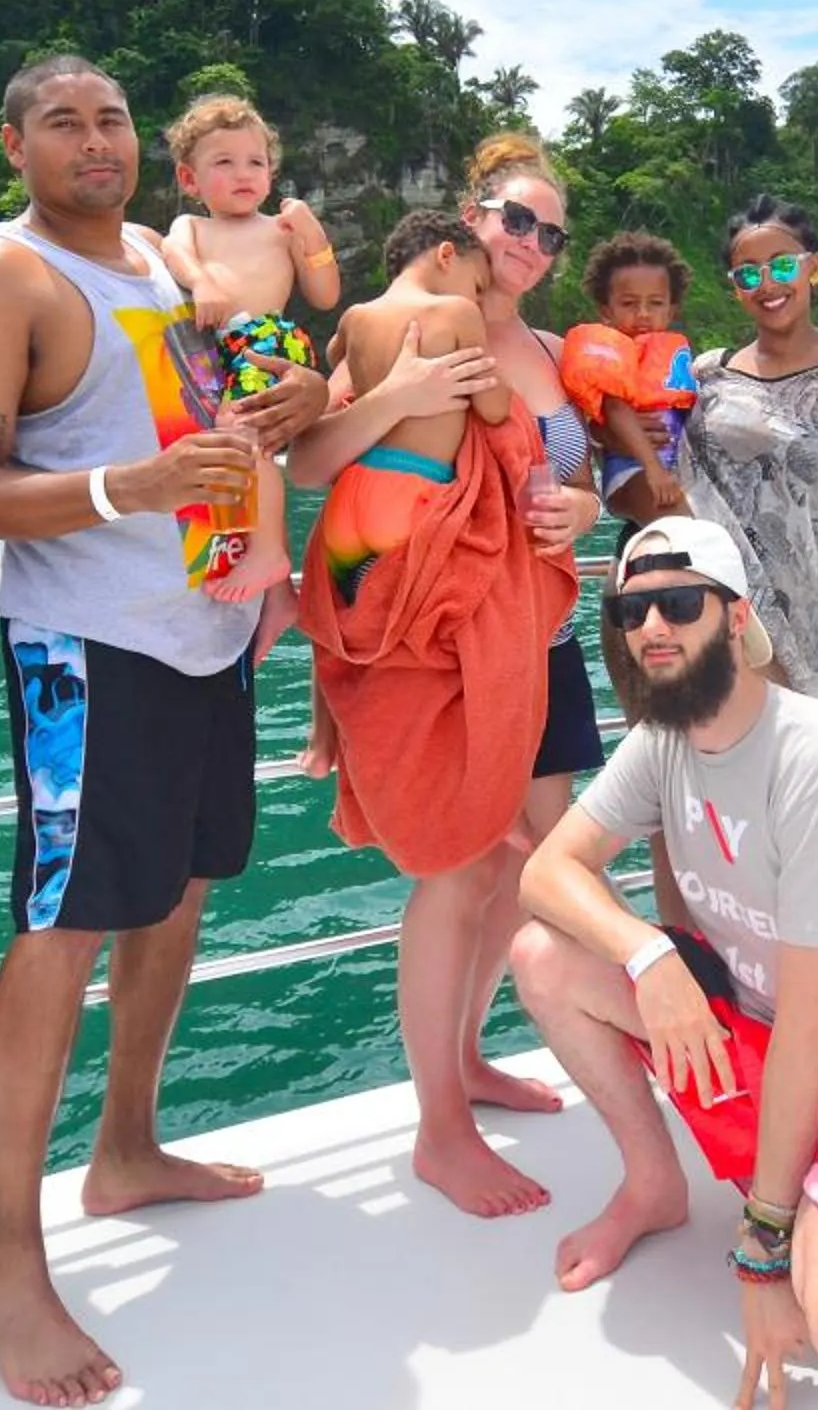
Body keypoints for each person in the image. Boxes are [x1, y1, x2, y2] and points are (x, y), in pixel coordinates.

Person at [0, 56, 330, 1406]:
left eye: (111, 120)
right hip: (87, 646)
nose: (94, 141)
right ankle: (7, 1259)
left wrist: (301, 396)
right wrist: (124, 485)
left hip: (206, 629)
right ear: (13, 141)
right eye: (62, 122)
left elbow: (241, 373)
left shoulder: (157, 255)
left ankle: (130, 1146)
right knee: (65, 919)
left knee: (182, 888)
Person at [513, 518, 818, 1403]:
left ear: (736, 616)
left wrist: (762, 1253)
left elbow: (811, 1022)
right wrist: (646, 955)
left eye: (679, 603)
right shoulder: (663, 742)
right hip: (758, 1024)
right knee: (544, 957)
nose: (651, 628)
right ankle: (654, 1186)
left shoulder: (817, 761)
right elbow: (546, 871)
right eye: (631, 610)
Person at [285, 133, 608, 1221]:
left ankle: (468, 1058)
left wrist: (587, 507)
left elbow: (578, 477)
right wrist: (406, 392)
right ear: (468, 218)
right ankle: (439, 1126)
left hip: (542, 632)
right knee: (458, 865)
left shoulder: (558, 352)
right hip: (452, 632)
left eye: (548, 231)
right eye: (513, 218)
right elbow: (315, 460)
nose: (528, 242)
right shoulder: (411, 326)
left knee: (527, 866)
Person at [680, 195, 818, 716]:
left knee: (817, 759)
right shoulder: (707, 378)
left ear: (813, 268)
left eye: (783, 265)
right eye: (748, 274)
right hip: (740, 607)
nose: (769, 285)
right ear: (734, 288)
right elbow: (689, 488)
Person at [156, 92, 338, 606]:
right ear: (189, 179)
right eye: (224, 162)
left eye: (255, 162)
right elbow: (174, 252)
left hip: (264, 343)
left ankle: (269, 551)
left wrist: (311, 233)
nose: (244, 173)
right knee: (227, 444)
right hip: (217, 352)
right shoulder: (191, 226)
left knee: (242, 437)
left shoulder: (278, 232)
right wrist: (202, 281)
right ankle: (240, 543)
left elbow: (324, 294)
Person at [312, 210, 509, 594]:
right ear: (446, 255)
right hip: (411, 497)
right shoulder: (457, 313)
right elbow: (494, 408)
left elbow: (336, 356)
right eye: (479, 285)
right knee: (424, 638)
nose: (480, 300)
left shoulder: (357, 317)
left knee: (369, 627)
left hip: (348, 503)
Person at [561, 231, 698, 532]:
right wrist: (654, 470)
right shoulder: (610, 355)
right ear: (606, 311)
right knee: (685, 531)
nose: (643, 314)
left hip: (670, 471)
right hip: (634, 473)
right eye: (629, 303)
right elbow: (616, 410)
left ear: (671, 309)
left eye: (656, 303)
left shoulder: (677, 357)